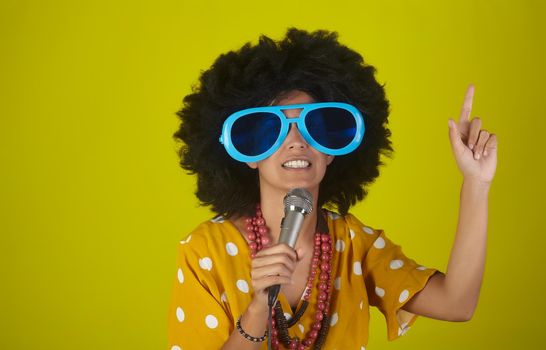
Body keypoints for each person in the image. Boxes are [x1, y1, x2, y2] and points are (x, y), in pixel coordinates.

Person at [167, 28, 498, 349]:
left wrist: (476, 183)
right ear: (250, 154)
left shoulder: (354, 244)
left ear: (330, 151)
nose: (296, 142)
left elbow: (457, 304)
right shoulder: (204, 252)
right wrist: (258, 308)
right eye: (271, 129)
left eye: (316, 126)